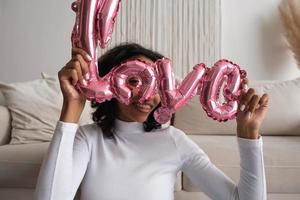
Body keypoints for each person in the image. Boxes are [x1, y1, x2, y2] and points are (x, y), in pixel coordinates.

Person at [34, 43, 268, 200]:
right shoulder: (89, 138)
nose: (147, 95)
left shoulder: (174, 141)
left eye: (156, 84)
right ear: (110, 85)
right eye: (135, 80)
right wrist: (71, 110)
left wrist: (249, 137)